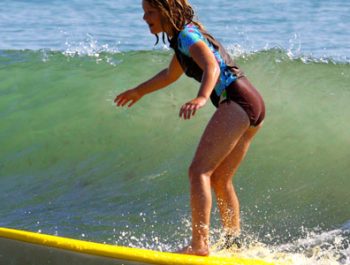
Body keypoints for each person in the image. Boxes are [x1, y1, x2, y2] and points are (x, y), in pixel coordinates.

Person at [114, 0, 265, 256]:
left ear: (166, 12)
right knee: (220, 178)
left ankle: (199, 245)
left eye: (150, 12)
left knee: (199, 172)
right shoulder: (183, 38)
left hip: (236, 99)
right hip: (251, 101)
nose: (144, 18)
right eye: (143, 12)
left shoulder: (186, 35)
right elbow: (170, 75)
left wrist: (202, 97)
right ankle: (233, 244)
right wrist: (139, 91)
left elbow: (212, 66)